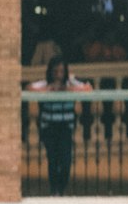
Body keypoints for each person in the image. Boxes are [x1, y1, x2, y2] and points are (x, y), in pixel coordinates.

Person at [29, 53, 91, 196]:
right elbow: (29, 87)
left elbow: (88, 88)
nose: (58, 75)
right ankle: (54, 190)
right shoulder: (45, 83)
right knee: (53, 159)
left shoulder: (71, 82)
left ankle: (61, 188)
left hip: (65, 127)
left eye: (61, 71)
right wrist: (48, 89)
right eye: (55, 71)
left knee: (66, 159)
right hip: (49, 126)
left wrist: (67, 89)